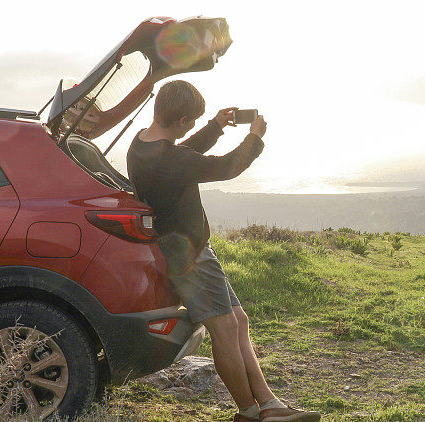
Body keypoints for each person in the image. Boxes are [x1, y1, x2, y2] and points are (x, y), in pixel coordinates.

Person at [126, 80, 321, 422]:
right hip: (190, 257)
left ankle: (269, 405)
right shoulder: (171, 159)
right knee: (224, 329)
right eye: (192, 120)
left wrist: (214, 127)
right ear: (183, 119)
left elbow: (181, 153)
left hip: (191, 250)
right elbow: (226, 167)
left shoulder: (141, 144)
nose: (191, 127)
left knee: (238, 321)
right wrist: (254, 138)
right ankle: (248, 412)